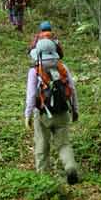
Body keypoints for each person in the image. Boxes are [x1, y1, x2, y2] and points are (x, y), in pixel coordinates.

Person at [24, 25, 79, 184]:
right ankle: (70, 167)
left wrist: (27, 115)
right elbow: (72, 89)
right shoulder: (63, 67)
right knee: (63, 144)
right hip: (62, 112)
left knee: (42, 145)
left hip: (42, 114)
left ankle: (44, 179)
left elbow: (31, 95)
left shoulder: (35, 71)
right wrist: (75, 110)